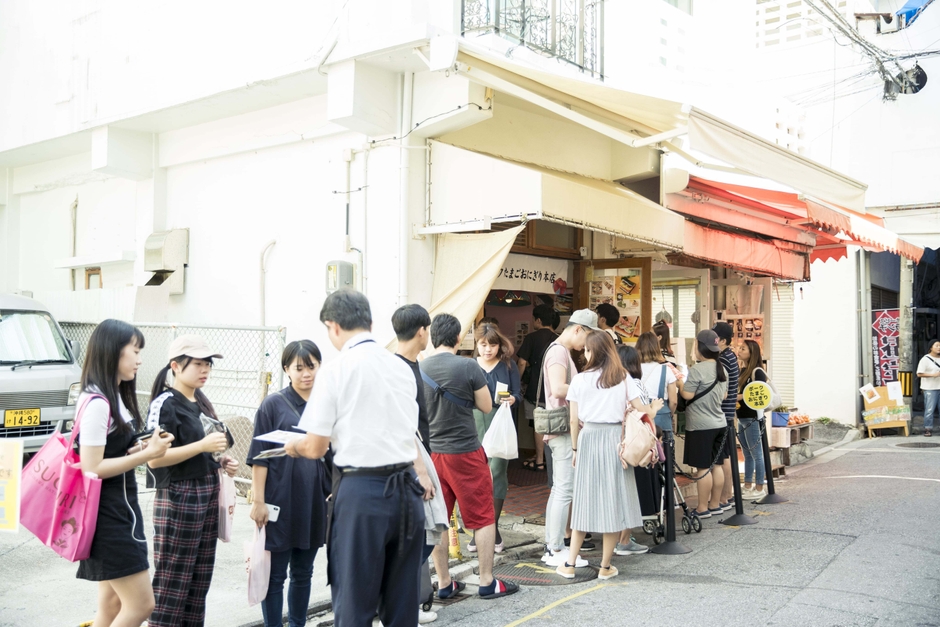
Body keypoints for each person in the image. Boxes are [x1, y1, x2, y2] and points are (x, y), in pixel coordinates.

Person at [285, 290, 432, 627]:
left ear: (332, 326)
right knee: (401, 604)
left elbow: (315, 447)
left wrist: (293, 446)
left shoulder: (337, 371)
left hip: (362, 491)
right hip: (406, 492)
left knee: (355, 603)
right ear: (369, 322)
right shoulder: (399, 368)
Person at [76, 320, 174, 627]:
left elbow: (107, 454)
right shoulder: (98, 403)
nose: (140, 359)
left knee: (111, 608)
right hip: (109, 518)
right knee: (141, 605)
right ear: (113, 352)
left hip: (119, 512)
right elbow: (93, 468)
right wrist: (146, 454)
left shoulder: (110, 396)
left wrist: (135, 450)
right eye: (135, 350)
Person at [421, 313, 519, 600]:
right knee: (483, 517)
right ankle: (487, 581)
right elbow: (487, 406)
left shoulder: (419, 369)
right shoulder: (468, 366)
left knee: (439, 518)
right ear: (457, 338)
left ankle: (444, 582)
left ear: (432, 336)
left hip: (432, 454)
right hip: (465, 451)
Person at [147, 335, 239, 627]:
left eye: (208, 365)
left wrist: (220, 461)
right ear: (175, 366)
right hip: (179, 496)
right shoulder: (165, 403)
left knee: (199, 582)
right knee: (172, 581)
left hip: (207, 491)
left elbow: (207, 448)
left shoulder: (200, 400)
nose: (205, 370)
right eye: (198, 364)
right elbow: (154, 459)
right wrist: (201, 447)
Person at [556, 332, 661, 581]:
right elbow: (643, 412)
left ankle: (570, 564)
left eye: (587, 351)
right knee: (614, 502)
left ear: (593, 353)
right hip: (616, 441)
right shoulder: (623, 378)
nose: (584, 354)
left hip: (589, 438)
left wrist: (574, 450)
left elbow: (573, 420)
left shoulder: (580, 380)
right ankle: (605, 567)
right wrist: (654, 408)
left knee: (584, 500)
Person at [247, 340, 330, 627]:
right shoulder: (273, 405)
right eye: (299, 368)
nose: (306, 373)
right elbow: (259, 457)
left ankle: (297, 624)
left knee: (304, 572)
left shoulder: (326, 403)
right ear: (287, 370)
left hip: (314, 501)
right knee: (275, 575)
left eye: (312, 366)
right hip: (279, 502)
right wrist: (258, 501)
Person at [540, 309, 600, 566]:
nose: (585, 345)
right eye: (587, 337)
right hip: (563, 429)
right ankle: (554, 548)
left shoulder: (560, 351)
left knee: (561, 490)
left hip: (561, 429)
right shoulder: (558, 352)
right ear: (578, 329)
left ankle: (553, 545)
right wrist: (588, 386)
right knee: (564, 489)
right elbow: (557, 388)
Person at [392, 303, 440, 625]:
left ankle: (403, 604)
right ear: (422, 331)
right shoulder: (398, 370)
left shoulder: (408, 365)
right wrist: (421, 470)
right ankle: (397, 605)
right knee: (424, 534)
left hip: (411, 460)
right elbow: (402, 424)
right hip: (410, 464)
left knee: (420, 536)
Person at [470, 323, 522, 553]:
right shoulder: (469, 366)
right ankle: (479, 531)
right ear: (477, 345)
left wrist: (513, 399)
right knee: (475, 475)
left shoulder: (508, 366)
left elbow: (517, 393)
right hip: (473, 423)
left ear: (499, 346)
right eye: (483, 345)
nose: (488, 349)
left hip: (500, 421)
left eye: (492, 345)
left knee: (498, 472)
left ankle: (493, 527)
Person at [614, 344, 666, 557]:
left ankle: (617, 537)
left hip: (612, 440)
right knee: (629, 492)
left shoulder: (609, 382)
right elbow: (644, 414)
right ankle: (624, 540)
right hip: (632, 444)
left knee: (617, 492)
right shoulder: (633, 382)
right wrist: (654, 407)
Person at [677, 330, 729, 519]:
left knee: (703, 468)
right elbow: (724, 396)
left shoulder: (698, 370)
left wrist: (679, 383)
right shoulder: (721, 368)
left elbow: (687, 395)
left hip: (701, 426)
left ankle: (701, 508)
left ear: (699, 347)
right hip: (719, 423)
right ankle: (715, 504)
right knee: (716, 465)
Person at [516, 304, 558, 471]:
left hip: (536, 389)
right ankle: (550, 458)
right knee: (553, 424)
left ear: (538, 320)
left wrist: (517, 382)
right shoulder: (559, 338)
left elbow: (521, 362)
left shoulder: (531, 338)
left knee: (538, 424)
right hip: (555, 388)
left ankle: (540, 460)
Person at [712, 321, 739, 510]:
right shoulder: (731, 356)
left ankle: (724, 497)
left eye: (714, 338)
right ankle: (727, 496)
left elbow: (724, 390)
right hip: (728, 412)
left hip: (723, 412)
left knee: (725, 457)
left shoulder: (724, 359)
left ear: (721, 340)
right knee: (727, 455)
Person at [736, 339, 767, 500]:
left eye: (743, 348)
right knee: (747, 454)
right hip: (741, 416)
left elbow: (758, 393)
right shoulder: (743, 371)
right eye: (740, 348)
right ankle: (747, 485)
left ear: (752, 352)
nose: (739, 350)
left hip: (753, 416)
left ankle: (760, 486)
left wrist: (738, 397)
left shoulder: (757, 371)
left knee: (757, 454)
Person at [637, 332, 679, 433]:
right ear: (657, 348)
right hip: (662, 417)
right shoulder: (666, 370)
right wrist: (670, 414)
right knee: (663, 448)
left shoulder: (633, 369)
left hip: (639, 416)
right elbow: (674, 401)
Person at [916, 339, 940, 437]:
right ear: (931, 347)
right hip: (930, 388)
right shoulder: (925, 359)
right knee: (929, 410)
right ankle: (928, 428)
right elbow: (919, 374)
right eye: (937, 345)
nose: (939, 347)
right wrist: (933, 374)